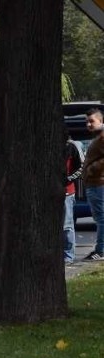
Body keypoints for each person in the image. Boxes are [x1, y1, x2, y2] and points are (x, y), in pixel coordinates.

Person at [81, 107, 104, 261]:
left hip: (98, 183)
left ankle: (100, 250)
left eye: (91, 121)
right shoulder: (98, 137)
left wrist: (91, 169)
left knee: (101, 218)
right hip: (95, 183)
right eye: (87, 122)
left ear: (100, 121)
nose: (88, 124)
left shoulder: (102, 136)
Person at [64, 132, 83, 263]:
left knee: (67, 225)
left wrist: (68, 179)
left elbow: (81, 166)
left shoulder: (72, 146)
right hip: (50, 193)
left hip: (67, 192)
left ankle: (68, 256)